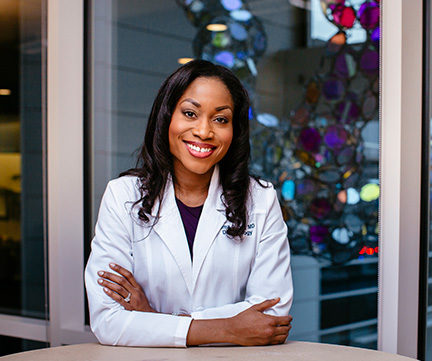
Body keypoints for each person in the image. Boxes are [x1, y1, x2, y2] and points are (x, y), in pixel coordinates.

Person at [84, 59, 293, 347]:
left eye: (220, 119)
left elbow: (272, 316)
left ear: (235, 130)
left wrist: (154, 319)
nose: (204, 132)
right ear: (166, 117)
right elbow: (108, 321)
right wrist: (227, 329)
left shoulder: (261, 199)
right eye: (190, 113)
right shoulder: (123, 196)